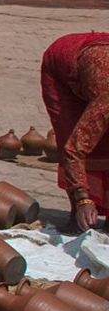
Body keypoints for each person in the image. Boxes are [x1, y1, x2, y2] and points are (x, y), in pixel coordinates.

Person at [42, 33, 109, 230]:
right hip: (62, 67)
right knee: (73, 134)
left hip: (96, 64)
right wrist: (82, 198)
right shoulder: (106, 102)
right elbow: (73, 149)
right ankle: (77, 215)